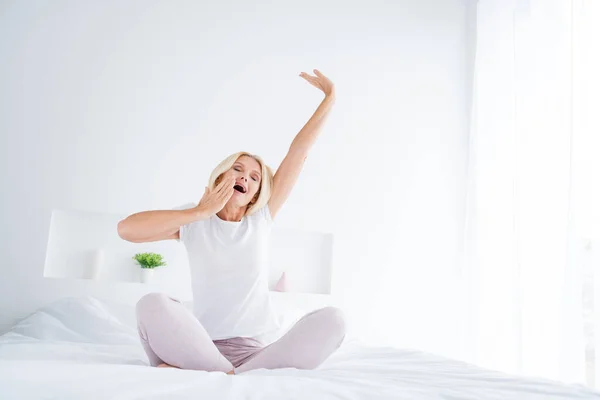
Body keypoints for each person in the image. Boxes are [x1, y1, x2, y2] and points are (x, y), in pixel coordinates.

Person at [117, 69, 345, 374]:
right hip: (201, 346)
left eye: (254, 177)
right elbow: (127, 230)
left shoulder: (261, 218)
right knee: (151, 304)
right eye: (237, 170)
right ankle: (222, 370)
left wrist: (330, 98)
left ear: (256, 193)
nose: (245, 178)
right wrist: (200, 211)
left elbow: (299, 152)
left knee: (334, 320)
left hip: (258, 352)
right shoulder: (193, 219)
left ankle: (225, 373)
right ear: (221, 176)